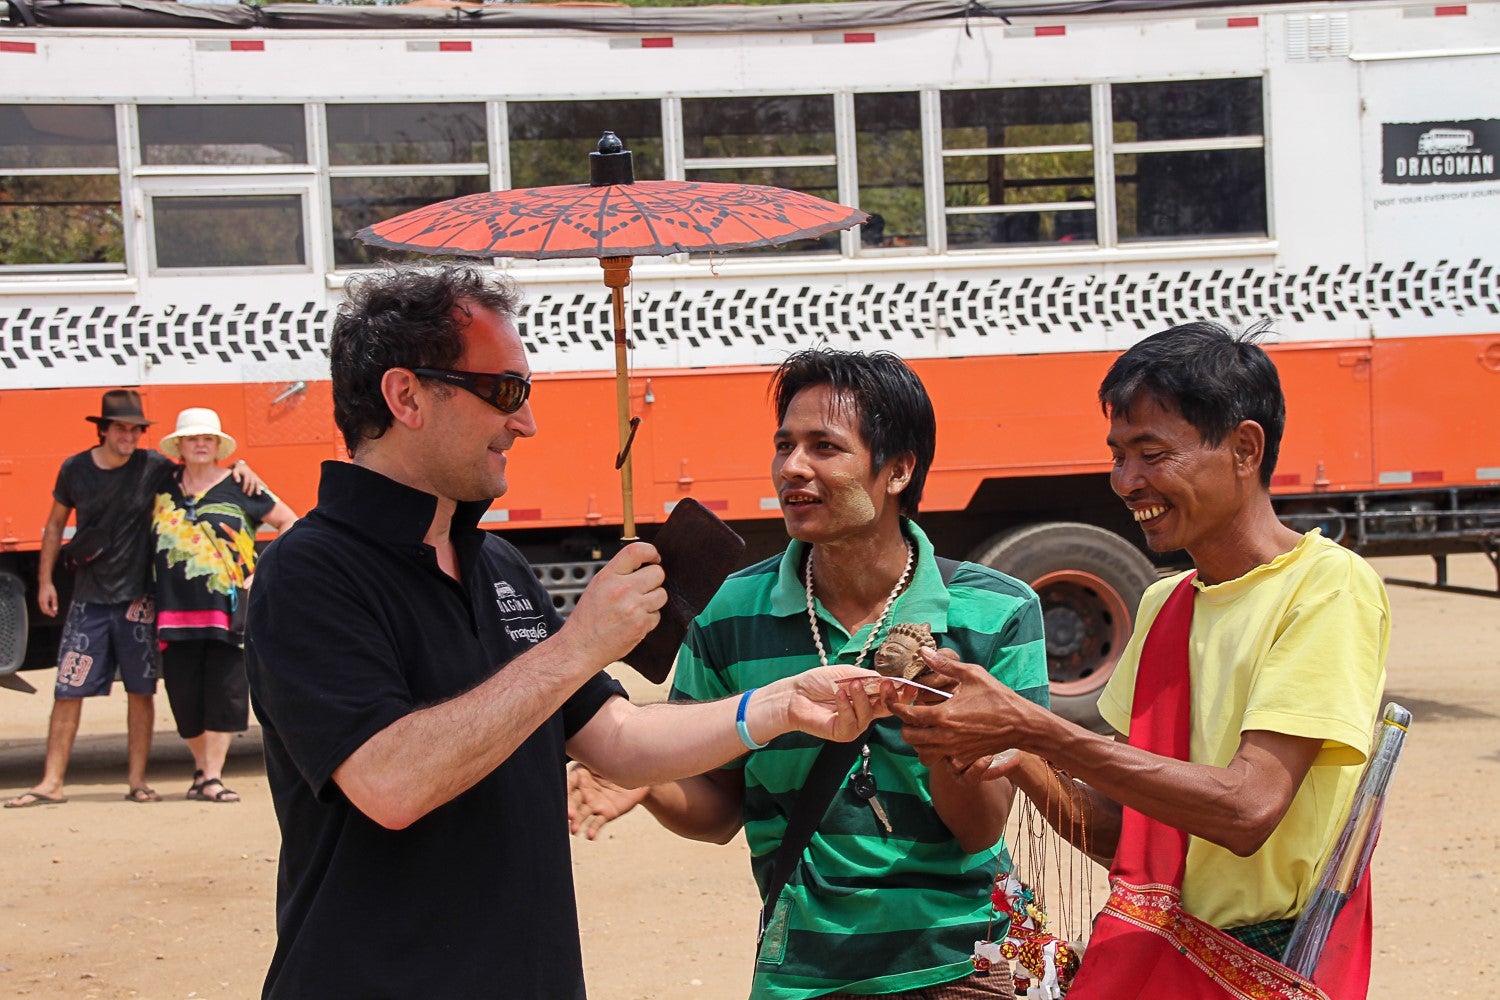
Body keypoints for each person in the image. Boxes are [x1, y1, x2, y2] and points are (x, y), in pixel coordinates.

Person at [243, 266, 892, 1000]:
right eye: (506, 392)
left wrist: (776, 707)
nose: (525, 422)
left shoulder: (496, 563)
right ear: (406, 396)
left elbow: (616, 738)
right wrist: (579, 644)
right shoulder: (309, 572)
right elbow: (391, 783)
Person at [894, 322, 1389, 989]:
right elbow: (1123, 837)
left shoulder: (1328, 586)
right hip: (1169, 960)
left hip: (1259, 967)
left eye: (1151, 453)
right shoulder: (1164, 603)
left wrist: (1038, 729)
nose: (1126, 482)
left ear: (1245, 448)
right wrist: (1019, 757)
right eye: (1118, 455)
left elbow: (1246, 810)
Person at [568, 349, 1050, 1000]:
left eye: (825, 447)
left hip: (967, 965)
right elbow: (716, 811)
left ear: (899, 469)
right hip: (804, 975)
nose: (792, 468)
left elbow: (980, 828)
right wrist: (643, 782)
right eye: (784, 445)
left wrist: (936, 721)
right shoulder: (729, 613)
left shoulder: (998, 611)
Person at [5, 390, 260, 809]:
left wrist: (240, 466)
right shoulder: (76, 469)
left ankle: (138, 781)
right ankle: (51, 782)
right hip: (87, 598)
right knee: (68, 689)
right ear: (103, 430)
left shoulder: (153, 466)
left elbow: (200, 469)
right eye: (121, 428)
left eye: (136, 429)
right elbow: (53, 527)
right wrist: (45, 582)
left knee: (141, 691)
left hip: (138, 600)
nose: (129, 436)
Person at [152, 407, 297, 804]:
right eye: (193, 438)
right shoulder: (162, 484)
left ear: (217, 446)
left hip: (228, 608)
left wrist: (261, 572)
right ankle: (201, 769)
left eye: (208, 439)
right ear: (180, 446)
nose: (201, 444)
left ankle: (212, 776)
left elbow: (289, 521)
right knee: (182, 693)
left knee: (226, 690)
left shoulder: (240, 484)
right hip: (174, 610)